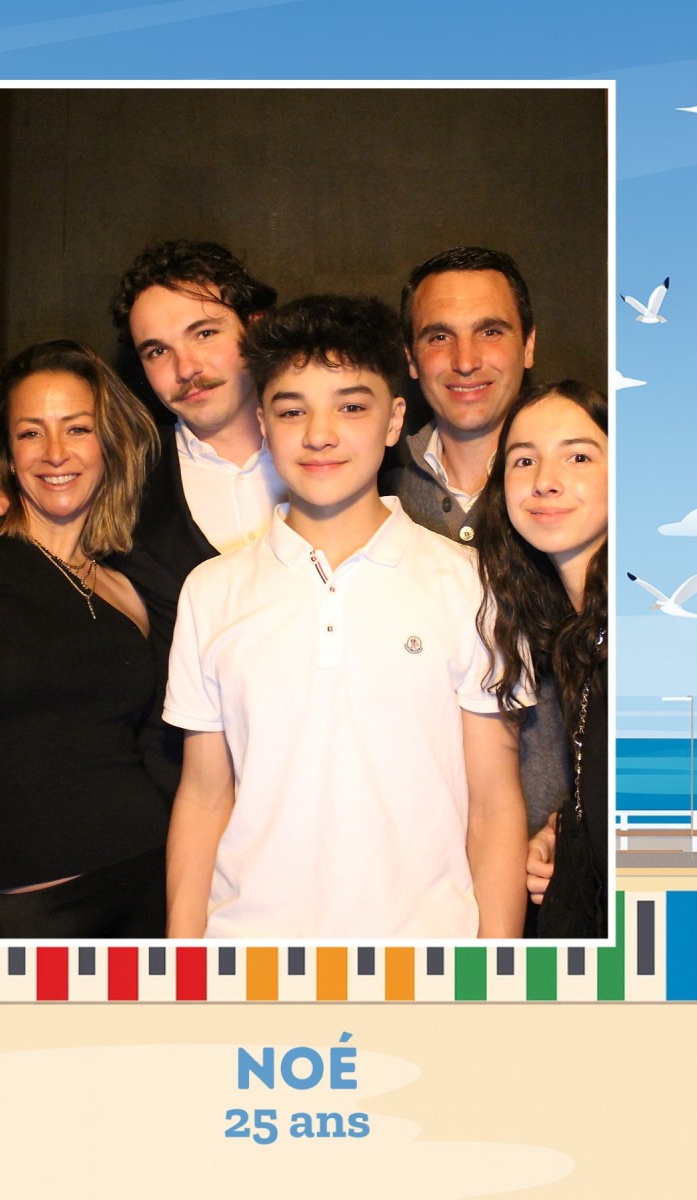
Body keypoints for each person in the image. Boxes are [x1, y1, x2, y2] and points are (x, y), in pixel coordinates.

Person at [163, 294, 528, 939]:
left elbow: (495, 806)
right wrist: (182, 963)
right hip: (247, 957)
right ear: (263, 422)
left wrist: (496, 975)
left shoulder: (471, 583)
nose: (319, 434)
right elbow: (203, 797)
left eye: (351, 407)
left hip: (425, 961)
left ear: (394, 420)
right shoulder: (210, 592)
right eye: (292, 410)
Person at [382, 245, 570, 844]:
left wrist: (577, 824)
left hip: (563, 858)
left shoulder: (584, 489)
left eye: (490, 331)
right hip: (412, 862)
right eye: (439, 337)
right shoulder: (368, 486)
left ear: (529, 344)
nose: (465, 361)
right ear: (411, 358)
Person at [0, 339, 169, 937]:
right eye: (30, 433)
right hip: (23, 911)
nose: (55, 453)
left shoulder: (128, 590)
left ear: (107, 443)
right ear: (8, 453)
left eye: (78, 428)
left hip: (145, 880)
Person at [108, 240, 285, 798]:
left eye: (204, 333)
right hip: (182, 797)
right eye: (157, 351)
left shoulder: (346, 457)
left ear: (255, 327)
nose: (186, 369)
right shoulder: (120, 487)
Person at [476, 380, 608, 938]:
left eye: (578, 457)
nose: (545, 481)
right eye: (524, 460)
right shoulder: (580, 639)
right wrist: (573, 829)